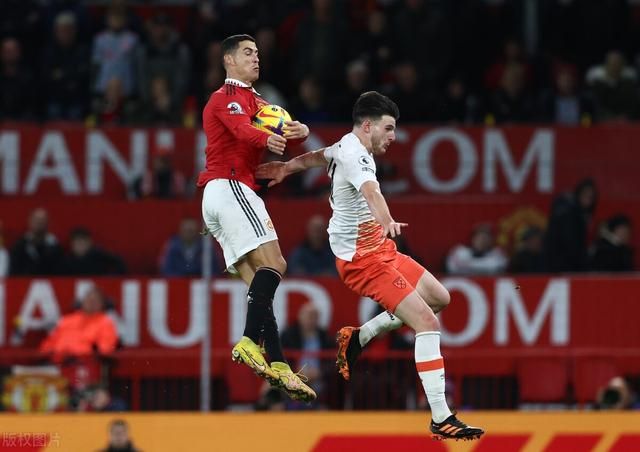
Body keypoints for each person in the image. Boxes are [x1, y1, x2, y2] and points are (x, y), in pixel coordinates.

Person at [256, 91, 484, 440]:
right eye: (389, 128)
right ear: (368, 125)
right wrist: (388, 220)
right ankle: (441, 416)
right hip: (362, 260)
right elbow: (372, 193)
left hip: (379, 249)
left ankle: (361, 335)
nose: (393, 136)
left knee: (440, 298)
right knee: (427, 321)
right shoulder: (358, 157)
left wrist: (288, 167)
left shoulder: (347, 146)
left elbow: (322, 155)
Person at [198, 34, 315, 402]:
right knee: (277, 262)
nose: (255, 58)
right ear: (228, 60)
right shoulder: (225, 98)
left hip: (226, 192)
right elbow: (242, 131)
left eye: (258, 53)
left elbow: (280, 125)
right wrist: (268, 140)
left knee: (258, 286)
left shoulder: (258, 101)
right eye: (247, 53)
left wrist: (301, 131)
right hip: (229, 185)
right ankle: (249, 341)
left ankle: (278, 363)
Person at [40, 286, 118, 364]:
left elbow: (106, 350)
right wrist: (45, 354)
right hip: (55, 362)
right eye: (88, 299)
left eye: (95, 301)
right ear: (82, 302)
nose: (91, 302)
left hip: (83, 365)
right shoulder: (66, 320)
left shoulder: (106, 323)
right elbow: (49, 344)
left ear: (102, 305)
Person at [10, 208, 63, 275]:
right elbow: (14, 272)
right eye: (37, 220)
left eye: (42, 221)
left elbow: (60, 273)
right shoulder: (19, 246)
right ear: (30, 221)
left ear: (48, 223)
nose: (39, 224)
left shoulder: (56, 247)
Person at [61, 227, 126, 276]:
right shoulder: (67, 261)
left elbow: (119, 263)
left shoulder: (100, 255)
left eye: (83, 242)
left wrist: (110, 279)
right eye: (77, 242)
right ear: (71, 244)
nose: (80, 246)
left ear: (90, 242)